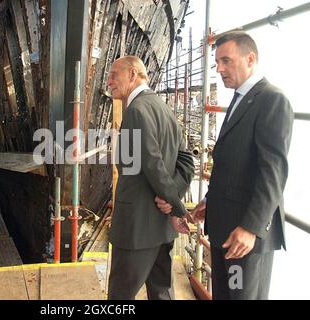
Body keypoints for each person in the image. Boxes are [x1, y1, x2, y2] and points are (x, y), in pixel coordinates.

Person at [187, 31, 294, 299]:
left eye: (226, 61)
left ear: (250, 58)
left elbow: (273, 171)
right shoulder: (239, 98)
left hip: (244, 239)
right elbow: (230, 163)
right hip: (225, 229)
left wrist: (251, 228)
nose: (220, 69)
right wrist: (210, 200)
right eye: (217, 63)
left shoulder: (272, 99)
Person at [107, 56, 194, 300]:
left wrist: (175, 206)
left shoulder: (136, 110)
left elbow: (151, 163)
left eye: (115, 74)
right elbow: (186, 160)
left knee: (119, 297)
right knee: (162, 293)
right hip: (161, 228)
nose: (109, 81)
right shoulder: (164, 108)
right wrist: (171, 199)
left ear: (133, 75)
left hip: (137, 228)